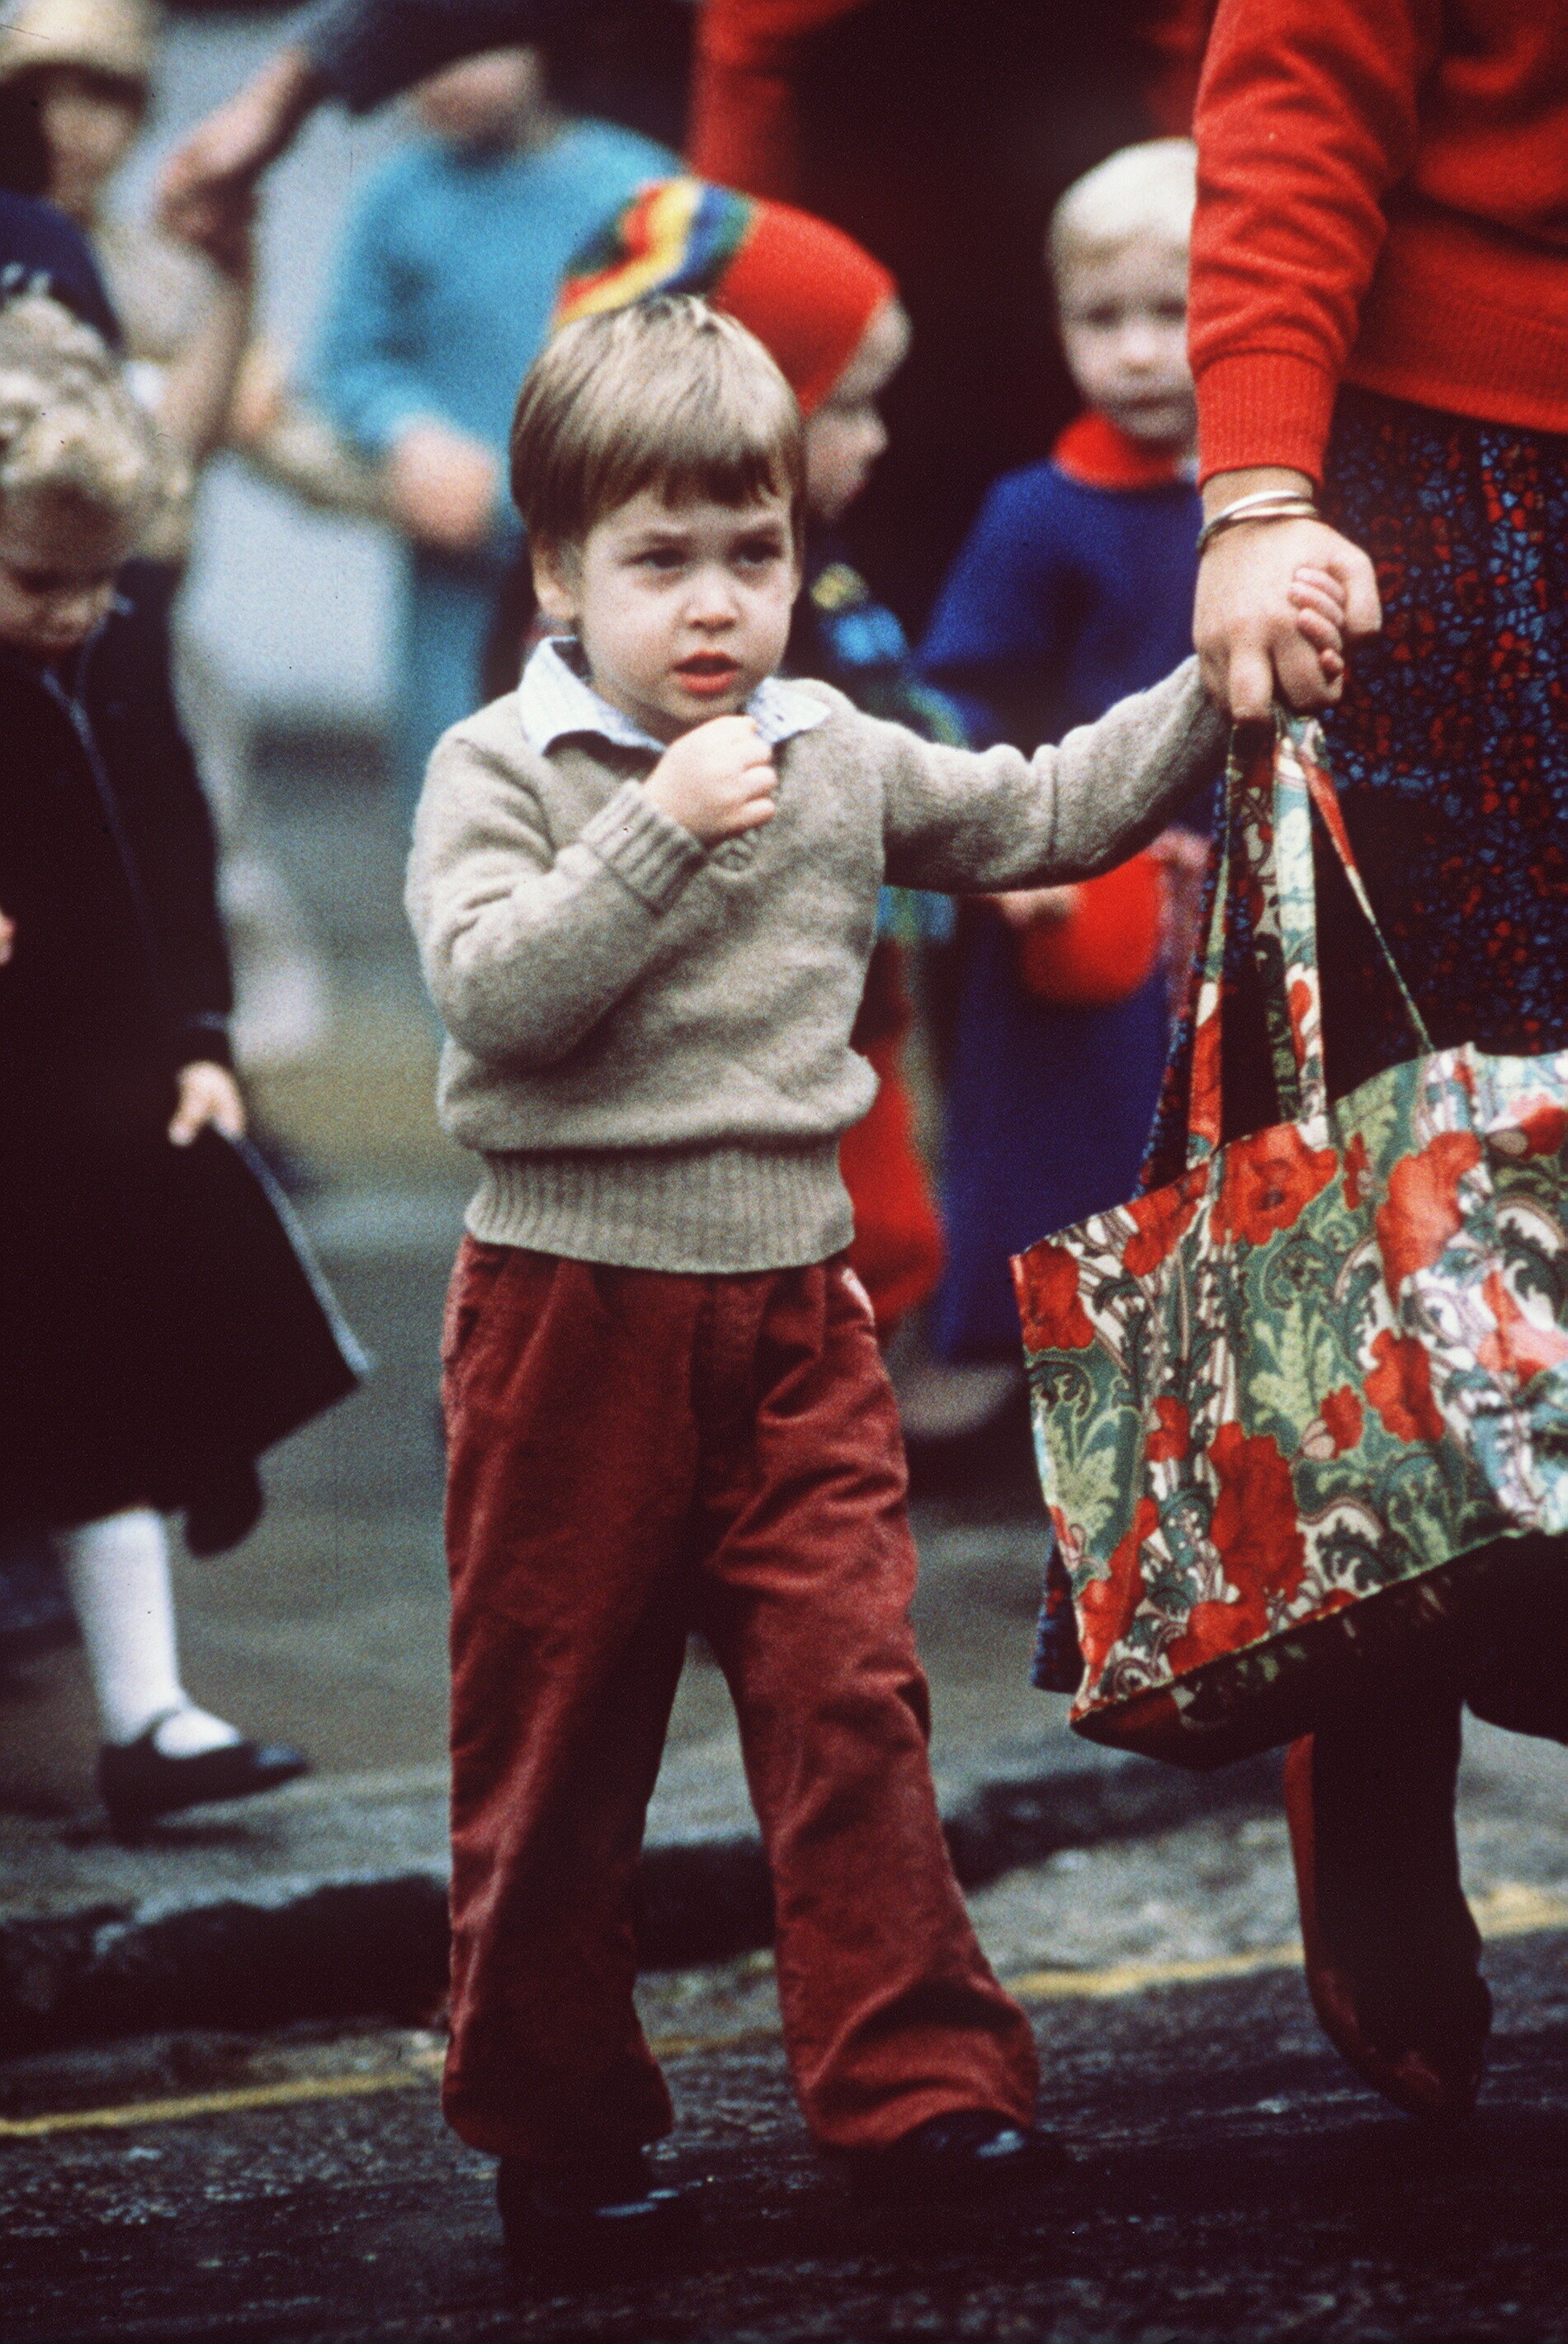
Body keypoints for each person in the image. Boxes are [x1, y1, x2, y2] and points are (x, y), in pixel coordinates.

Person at [405, 294, 1342, 2261]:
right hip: (568, 1317)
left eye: (750, 552)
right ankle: (557, 2127)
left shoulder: (828, 747)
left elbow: (1048, 808)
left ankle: (919, 2094)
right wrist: (656, 834)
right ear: (559, 567)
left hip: (798, 1313)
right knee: (556, 1730)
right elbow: (495, 1007)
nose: (717, 604)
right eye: (658, 561)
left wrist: (1217, 675)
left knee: (849, 1697)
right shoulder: (499, 769)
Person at [1159, 0, 1568, 2122]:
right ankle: (1376, 1719)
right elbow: (1294, 98)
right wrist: (1255, 485)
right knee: (1409, 1196)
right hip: (1442, 489)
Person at [0, 295, 361, 1835]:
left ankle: (149, 1715)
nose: (75, 612)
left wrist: (203, 1039)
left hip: (98, 1091)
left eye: (101, 580)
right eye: (38, 581)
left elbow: (176, 845)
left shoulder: (123, 645)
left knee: (111, 1396)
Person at [549, 175, 957, 1334]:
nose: (876, 439)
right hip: (719, 1036)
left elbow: (895, 728)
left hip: (849, 990)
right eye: (850, 406)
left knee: (878, 1237)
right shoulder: (635, 631)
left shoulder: (816, 580)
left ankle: (830, 1455)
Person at [916, 139, 1208, 1372]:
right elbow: (958, 692)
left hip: (1250, 888)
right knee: (1074, 1158)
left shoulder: (1288, 495)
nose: (1137, 348)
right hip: (1091, 891)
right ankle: (1063, 1388)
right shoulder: (1039, 510)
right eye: (1102, 317)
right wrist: (1001, 840)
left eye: (1172, 312)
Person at [308, 41, 674, 801]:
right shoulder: (398, 197)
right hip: (458, 570)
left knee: (615, 790)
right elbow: (348, 360)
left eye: (471, 43)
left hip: (613, 562)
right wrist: (405, 430)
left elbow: (689, 360)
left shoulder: (639, 186)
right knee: (454, 785)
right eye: (423, 47)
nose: (444, 72)